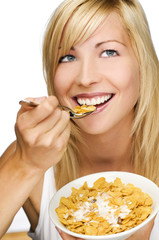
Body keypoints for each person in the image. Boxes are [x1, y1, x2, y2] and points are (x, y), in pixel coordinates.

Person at [0, 0, 159, 239]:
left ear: (143, 63)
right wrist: (26, 165)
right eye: (67, 57)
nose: (85, 78)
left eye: (109, 52)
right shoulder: (31, 160)